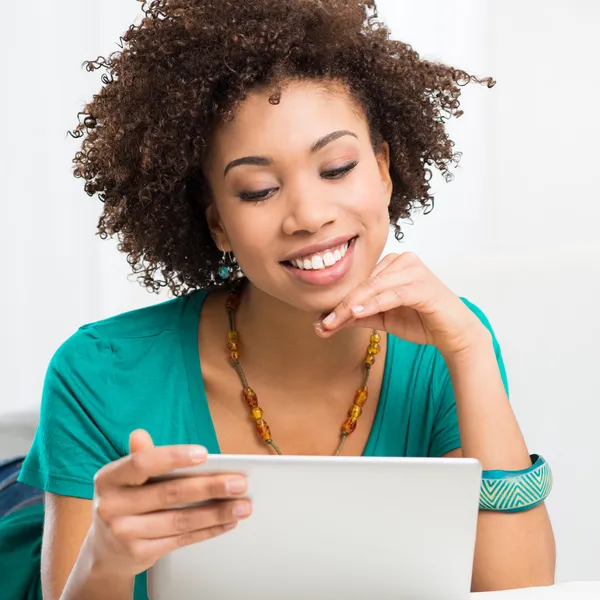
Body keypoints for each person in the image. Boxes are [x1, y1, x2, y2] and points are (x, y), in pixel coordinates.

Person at [0, 1, 556, 599]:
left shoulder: (449, 343)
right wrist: (106, 557)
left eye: (338, 167)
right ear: (218, 224)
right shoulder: (99, 373)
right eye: (259, 189)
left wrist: (470, 348)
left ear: (385, 169)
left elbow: (518, 590)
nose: (310, 215)